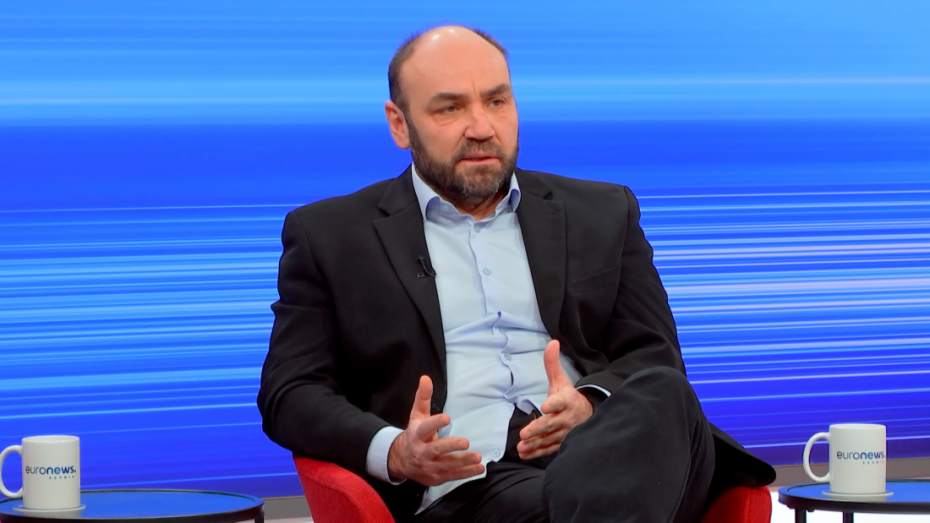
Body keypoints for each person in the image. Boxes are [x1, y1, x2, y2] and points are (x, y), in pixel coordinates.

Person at [257, 25, 775, 523]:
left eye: (497, 101)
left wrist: (589, 404)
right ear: (400, 124)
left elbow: (655, 354)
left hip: (604, 451)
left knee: (662, 391)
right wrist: (396, 451)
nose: (482, 127)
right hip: (472, 487)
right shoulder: (330, 236)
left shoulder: (603, 212)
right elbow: (291, 392)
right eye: (450, 107)